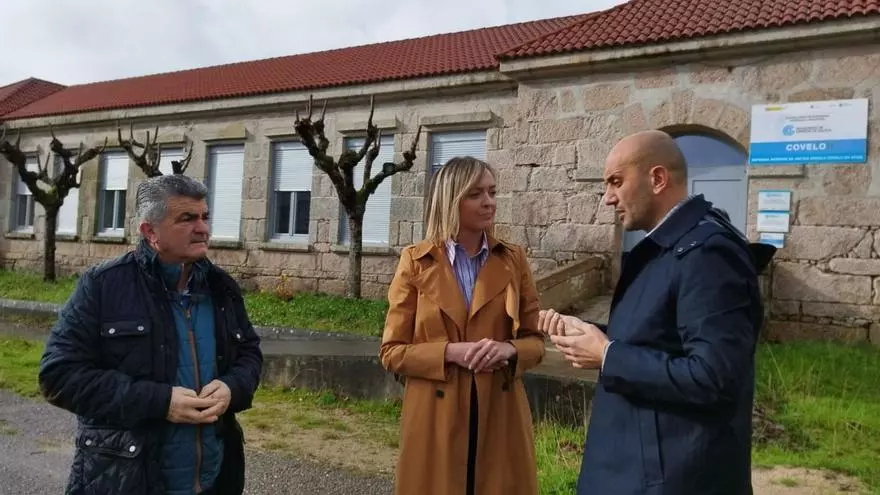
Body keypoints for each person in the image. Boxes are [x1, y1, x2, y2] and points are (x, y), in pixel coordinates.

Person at [539, 130, 764, 495]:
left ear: (658, 179)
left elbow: (713, 377)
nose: (608, 198)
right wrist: (588, 333)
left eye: (616, 181)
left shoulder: (707, 254)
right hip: (639, 466)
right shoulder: (667, 246)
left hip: (669, 478)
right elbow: (657, 335)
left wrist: (607, 355)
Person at [39, 174, 263, 495]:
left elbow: (249, 354)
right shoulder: (104, 286)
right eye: (187, 218)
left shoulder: (221, 287)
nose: (203, 228)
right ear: (150, 232)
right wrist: (160, 402)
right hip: (126, 479)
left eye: (205, 216)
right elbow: (58, 376)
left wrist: (232, 388)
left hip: (214, 480)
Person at [379, 156, 546, 495]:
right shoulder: (415, 262)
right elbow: (392, 353)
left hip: (500, 414)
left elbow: (536, 342)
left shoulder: (513, 259)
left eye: (492, 192)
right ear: (451, 199)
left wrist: (508, 349)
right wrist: (451, 352)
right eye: (476, 194)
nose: (489, 202)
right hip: (434, 420)